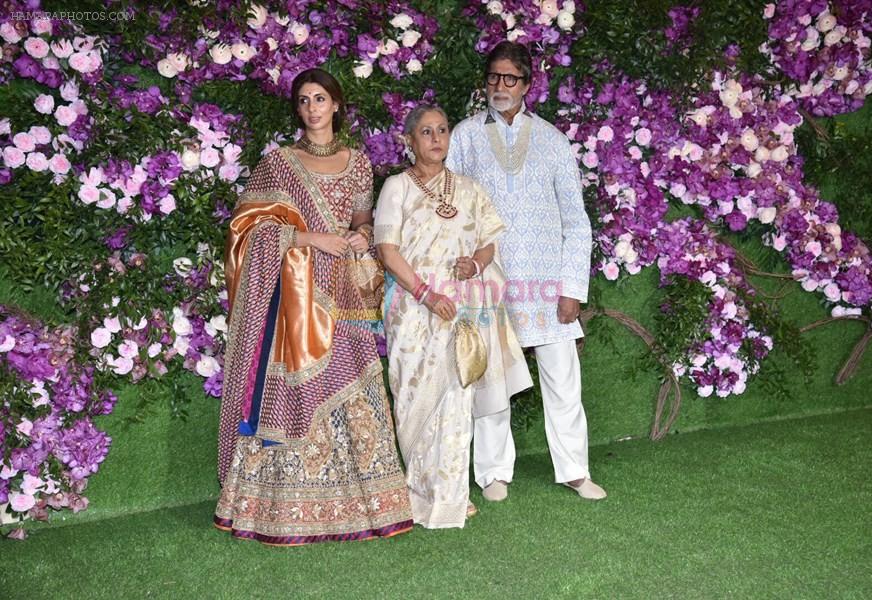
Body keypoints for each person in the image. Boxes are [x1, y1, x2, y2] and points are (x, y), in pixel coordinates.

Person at [214, 68, 413, 545]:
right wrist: (308, 237)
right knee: (296, 392)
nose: (311, 108)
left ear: (337, 104)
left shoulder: (360, 161)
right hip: (295, 299)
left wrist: (359, 237)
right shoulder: (280, 163)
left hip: (345, 291)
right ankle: (281, 507)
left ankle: (370, 502)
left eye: (320, 98)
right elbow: (247, 229)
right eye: (303, 100)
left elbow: (365, 220)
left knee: (357, 380)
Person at [446, 42, 607, 501]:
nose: (500, 86)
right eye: (494, 77)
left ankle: (576, 469)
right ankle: (493, 473)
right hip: (489, 280)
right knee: (492, 381)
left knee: (563, 381)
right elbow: (451, 209)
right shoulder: (464, 136)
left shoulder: (554, 142)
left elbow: (576, 221)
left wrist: (572, 288)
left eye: (510, 79)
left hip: (547, 284)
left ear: (528, 85)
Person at [375, 105, 531, 528]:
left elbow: (487, 243)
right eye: (426, 131)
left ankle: (449, 494)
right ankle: (416, 492)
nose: (436, 138)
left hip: (461, 308)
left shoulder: (469, 189)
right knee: (411, 397)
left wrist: (475, 267)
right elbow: (388, 251)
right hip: (412, 306)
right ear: (409, 140)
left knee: (457, 399)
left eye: (442, 130)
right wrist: (426, 294)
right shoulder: (396, 187)